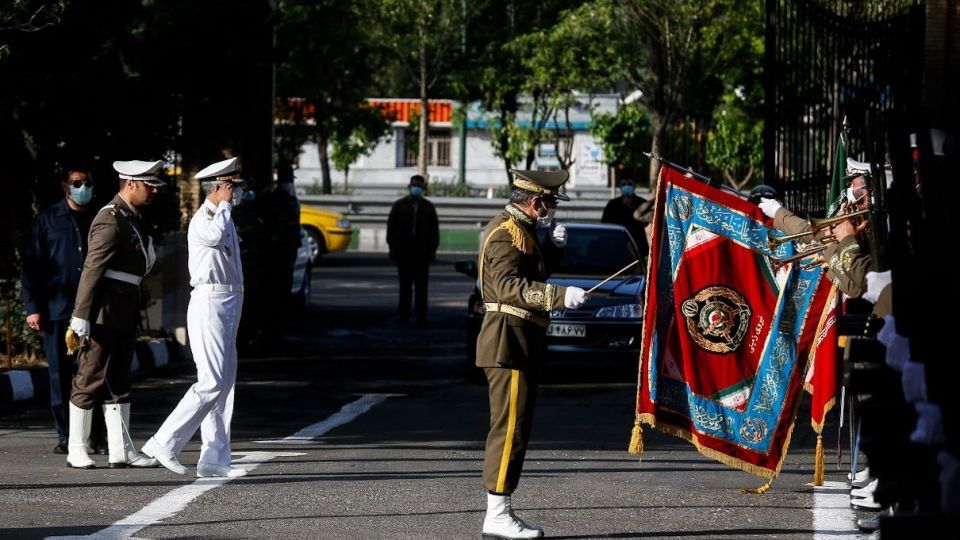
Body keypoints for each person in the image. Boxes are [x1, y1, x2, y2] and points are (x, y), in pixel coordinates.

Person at [476, 169, 589, 539]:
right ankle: (497, 513)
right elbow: (509, 287)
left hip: (519, 341)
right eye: (551, 202)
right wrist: (559, 295)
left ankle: (501, 510)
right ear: (535, 201)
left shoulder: (522, 231)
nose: (552, 209)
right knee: (509, 429)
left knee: (516, 427)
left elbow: (528, 275)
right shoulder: (505, 233)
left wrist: (552, 250)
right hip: (507, 342)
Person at [141, 157, 247, 478]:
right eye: (232, 186)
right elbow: (214, 237)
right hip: (210, 302)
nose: (237, 192)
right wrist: (224, 206)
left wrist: (226, 209)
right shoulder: (205, 219)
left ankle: (215, 458)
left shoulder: (224, 218)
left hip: (229, 300)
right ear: (218, 187)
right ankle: (165, 441)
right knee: (211, 381)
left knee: (225, 383)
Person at [65, 160, 162, 469]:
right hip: (103, 312)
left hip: (124, 309)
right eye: (149, 185)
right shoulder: (110, 218)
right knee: (90, 377)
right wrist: (81, 316)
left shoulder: (131, 217)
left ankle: (121, 449)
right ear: (130, 183)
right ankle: (76, 447)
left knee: (119, 379)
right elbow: (93, 268)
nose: (153, 191)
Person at [21, 166, 107, 455]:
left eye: (88, 182)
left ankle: (96, 435)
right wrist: (33, 307)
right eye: (77, 183)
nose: (83, 187)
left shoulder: (101, 217)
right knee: (59, 373)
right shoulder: (47, 220)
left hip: (94, 309)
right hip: (56, 310)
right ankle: (66, 435)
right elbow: (32, 266)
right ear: (65, 186)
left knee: (93, 371)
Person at [386, 174, 439, 326]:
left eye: (419, 186)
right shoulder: (399, 205)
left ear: (423, 189)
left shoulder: (428, 207)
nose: (416, 188)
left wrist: (432, 250)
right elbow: (391, 227)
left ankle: (421, 317)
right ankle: (404, 316)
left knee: (422, 287)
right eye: (414, 185)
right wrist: (392, 246)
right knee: (405, 286)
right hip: (404, 252)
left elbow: (434, 231)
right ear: (409, 187)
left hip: (422, 254)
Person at [601, 179, 649, 256]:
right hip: (616, 243)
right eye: (624, 184)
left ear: (634, 186)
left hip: (638, 244)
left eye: (630, 184)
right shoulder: (612, 204)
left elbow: (647, 223)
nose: (627, 186)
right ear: (620, 187)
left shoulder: (642, 203)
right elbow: (605, 223)